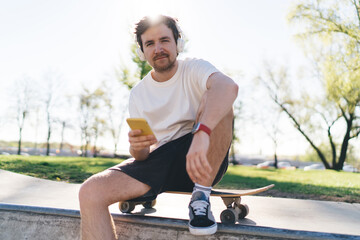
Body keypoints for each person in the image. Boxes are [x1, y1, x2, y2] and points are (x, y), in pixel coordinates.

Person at [79, 15, 238, 239]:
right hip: (160, 162)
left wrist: (202, 133)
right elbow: (143, 155)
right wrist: (136, 148)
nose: (158, 49)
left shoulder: (194, 68)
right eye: (150, 44)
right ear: (142, 52)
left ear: (178, 44)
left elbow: (228, 87)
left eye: (164, 40)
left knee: (220, 102)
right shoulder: (138, 94)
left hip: (203, 159)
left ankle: (200, 199)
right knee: (89, 192)